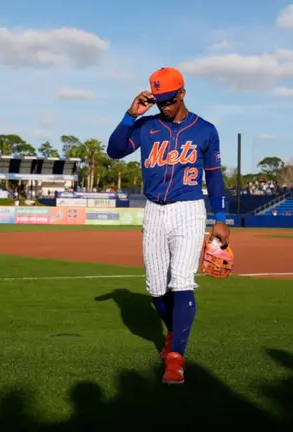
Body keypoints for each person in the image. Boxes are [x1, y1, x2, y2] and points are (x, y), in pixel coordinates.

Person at [106, 67, 230, 384]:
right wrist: (130, 115)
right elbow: (115, 150)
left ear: (182, 94)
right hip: (154, 211)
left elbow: (214, 175)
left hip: (189, 209)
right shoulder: (147, 127)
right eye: (160, 101)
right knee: (156, 289)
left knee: (182, 281)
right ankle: (175, 334)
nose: (164, 107)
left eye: (170, 100)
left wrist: (220, 218)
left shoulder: (205, 130)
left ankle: (175, 358)